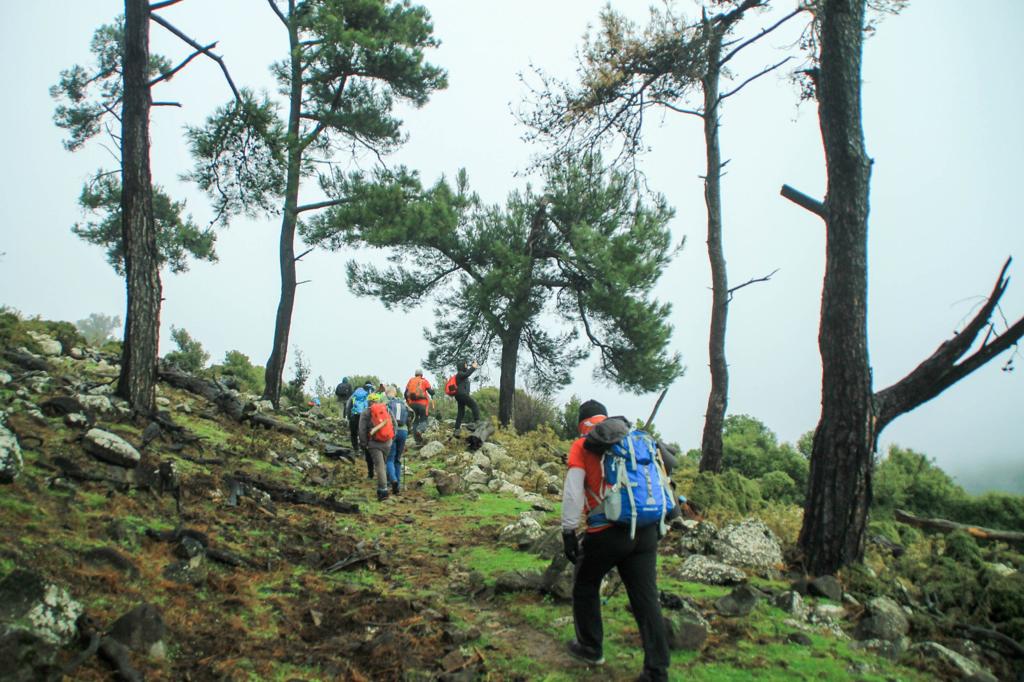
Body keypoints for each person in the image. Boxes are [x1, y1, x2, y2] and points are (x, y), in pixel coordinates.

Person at [560, 399, 670, 682]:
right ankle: (657, 671)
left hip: (605, 532)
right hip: (644, 530)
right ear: (605, 419)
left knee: (585, 584)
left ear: (581, 423)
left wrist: (569, 531)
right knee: (646, 599)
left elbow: (573, 493)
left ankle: (590, 647)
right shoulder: (635, 439)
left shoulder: (583, 445)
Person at [358, 391, 395, 500]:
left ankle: (383, 491)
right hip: (388, 442)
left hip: (374, 443)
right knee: (384, 463)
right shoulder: (386, 409)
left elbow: (362, 430)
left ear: (369, 402)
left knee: (379, 466)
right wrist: (392, 437)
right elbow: (394, 424)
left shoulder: (366, 412)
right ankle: (387, 484)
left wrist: (364, 444)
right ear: (378, 401)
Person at [345, 382, 373, 479]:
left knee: (353, 433)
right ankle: (363, 449)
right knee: (362, 433)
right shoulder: (366, 395)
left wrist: (348, 416)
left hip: (354, 416)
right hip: (363, 416)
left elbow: (348, 406)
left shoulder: (353, 396)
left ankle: (356, 449)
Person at [386, 387, 410, 494]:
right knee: (398, 459)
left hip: (392, 431)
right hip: (403, 431)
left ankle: (393, 480)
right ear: (395, 393)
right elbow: (411, 416)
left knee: (390, 459)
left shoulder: (388, 403)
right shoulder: (403, 403)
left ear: (388, 393)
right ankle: (398, 484)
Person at [404, 369, 435, 444]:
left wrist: (408, 402)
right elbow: (430, 392)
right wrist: (433, 392)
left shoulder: (411, 381)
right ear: (421, 375)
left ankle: (417, 441)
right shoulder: (424, 381)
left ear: (415, 374)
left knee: (415, 421)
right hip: (422, 404)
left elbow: (405, 393)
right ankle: (420, 430)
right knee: (424, 420)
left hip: (412, 405)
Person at [452, 360, 481, 434]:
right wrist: (473, 367)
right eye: (465, 365)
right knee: (474, 405)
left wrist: (473, 365)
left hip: (459, 395)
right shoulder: (460, 374)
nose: (466, 366)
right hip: (462, 394)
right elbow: (467, 373)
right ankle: (477, 422)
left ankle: (457, 429)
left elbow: (467, 372)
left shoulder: (461, 374)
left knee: (461, 412)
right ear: (462, 366)